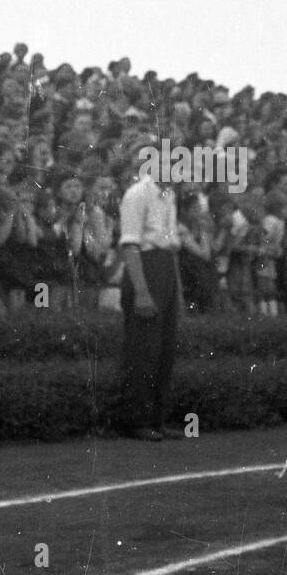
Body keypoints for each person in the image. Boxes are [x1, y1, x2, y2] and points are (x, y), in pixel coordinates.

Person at [117, 150, 182, 441]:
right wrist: (142, 292)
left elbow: (169, 246)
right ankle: (136, 420)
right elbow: (130, 246)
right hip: (145, 267)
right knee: (142, 350)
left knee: (164, 351)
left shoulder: (169, 196)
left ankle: (158, 419)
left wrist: (175, 291)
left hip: (166, 267)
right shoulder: (136, 194)